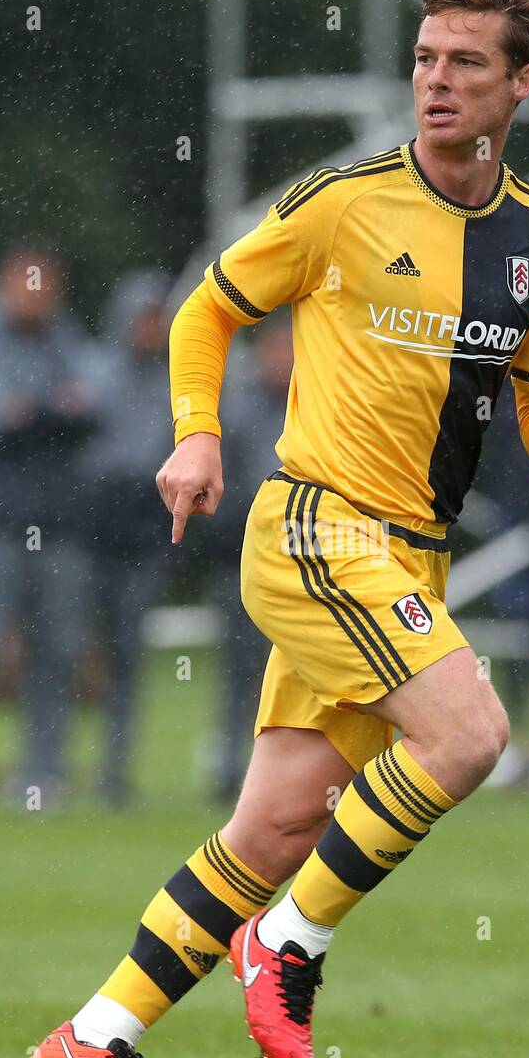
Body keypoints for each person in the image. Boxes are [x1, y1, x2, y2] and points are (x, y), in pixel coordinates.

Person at [32, 0, 529, 1058]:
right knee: (471, 736)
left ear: (523, 81)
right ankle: (289, 943)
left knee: (273, 827)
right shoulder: (344, 200)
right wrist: (197, 438)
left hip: (410, 557)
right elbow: (206, 306)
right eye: (422, 58)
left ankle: (92, 1036)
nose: (435, 80)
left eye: (464, 62)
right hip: (315, 525)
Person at [0, 247, 98, 811]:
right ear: (2, 284)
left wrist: (35, 411)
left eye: (47, 284)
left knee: (56, 652)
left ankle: (42, 776)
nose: (37, 293)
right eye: (26, 283)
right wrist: (54, 413)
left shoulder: (66, 339)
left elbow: (94, 405)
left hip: (60, 524)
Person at [77, 270, 176, 807]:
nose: (151, 328)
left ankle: (113, 773)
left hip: (141, 531)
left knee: (125, 654)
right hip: (85, 531)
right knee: (65, 649)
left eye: (158, 318)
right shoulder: (91, 370)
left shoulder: (175, 382)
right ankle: (48, 770)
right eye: (143, 316)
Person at [210, 310, 295, 801]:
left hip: (305, 564)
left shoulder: (314, 410)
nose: (281, 360)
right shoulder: (236, 411)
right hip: (242, 562)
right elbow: (222, 489)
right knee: (241, 673)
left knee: (293, 677)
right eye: (274, 350)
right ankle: (231, 770)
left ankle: (285, 779)